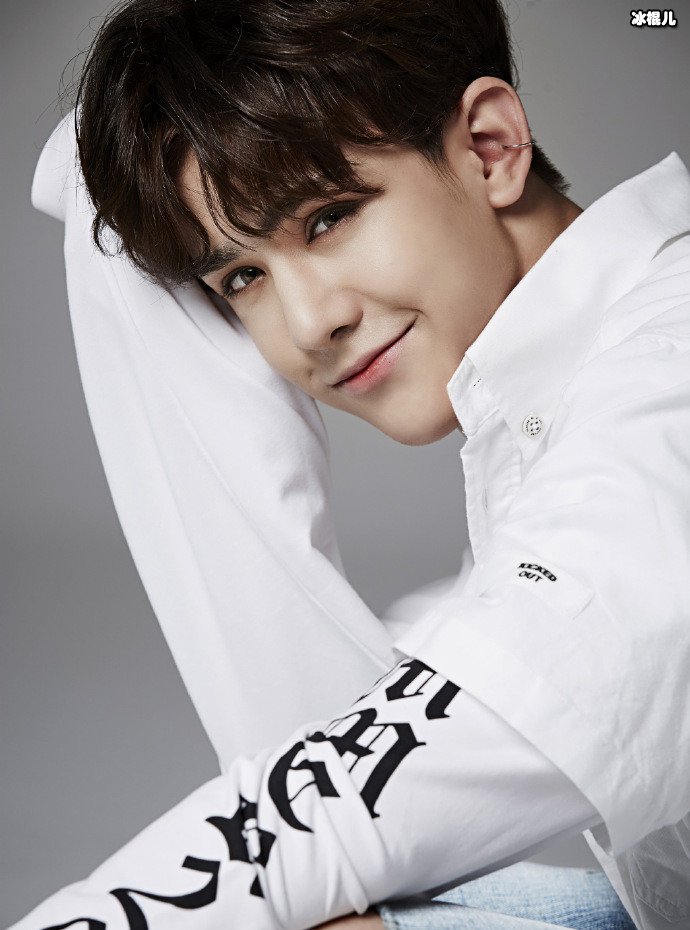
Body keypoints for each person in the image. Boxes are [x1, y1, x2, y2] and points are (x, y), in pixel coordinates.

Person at [14, 0, 690, 928]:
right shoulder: (558, 394)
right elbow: (321, 757)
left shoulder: (665, 389)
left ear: (490, 147)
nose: (307, 324)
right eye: (242, 278)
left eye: (328, 218)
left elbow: (341, 813)